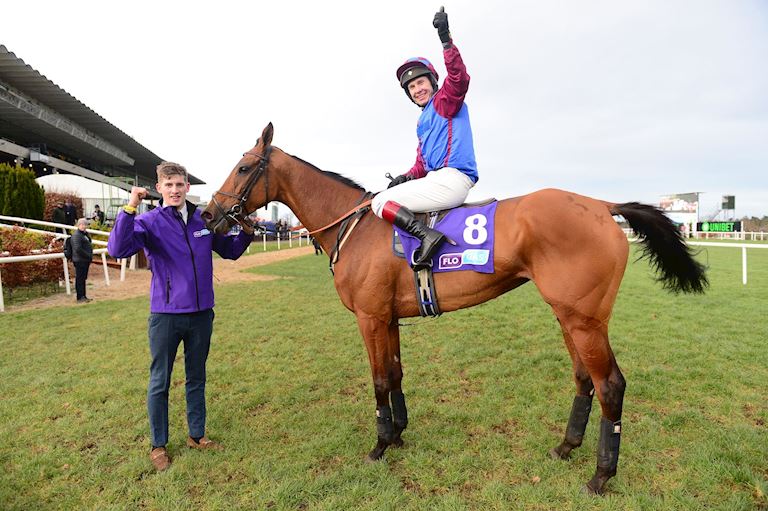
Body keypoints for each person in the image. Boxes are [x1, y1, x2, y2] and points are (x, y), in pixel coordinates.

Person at [107, 161, 254, 472]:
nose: (174, 190)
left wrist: (247, 231)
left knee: (196, 377)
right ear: (159, 188)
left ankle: (197, 435)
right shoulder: (148, 221)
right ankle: (158, 444)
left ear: (188, 186)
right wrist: (130, 206)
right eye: (168, 185)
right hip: (166, 315)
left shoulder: (202, 218)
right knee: (160, 381)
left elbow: (228, 250)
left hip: (202, 314)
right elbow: (118, 249)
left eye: (179, 184)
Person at [371, 7, 478, 271]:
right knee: (388, 194)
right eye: (412, 87)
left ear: (431, 82)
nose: (417, 89)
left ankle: (427, 237)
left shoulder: (445, 100)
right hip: (437, 179)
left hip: (452, 179)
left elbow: (459, 78)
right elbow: (422, 163)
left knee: (380, 202)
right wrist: (405, 177)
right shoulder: (423, 121)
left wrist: (446, 40)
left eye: (421, 83)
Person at [70, 217, 93, 303]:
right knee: (80, 279)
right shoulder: (76, 235)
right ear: (78, 225)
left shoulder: (85, 234)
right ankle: (80, 297)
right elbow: (77, 249)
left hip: (85, 260)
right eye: (82, 224)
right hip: (80, 260)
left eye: (85, 225)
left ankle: (83, 295)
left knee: (83, 278)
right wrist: (88, 255)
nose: (84, 226)